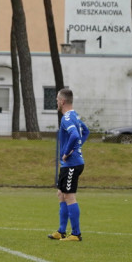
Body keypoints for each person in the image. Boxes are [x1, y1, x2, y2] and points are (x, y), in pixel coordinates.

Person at [47, 88, 89, 242]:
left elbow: (76, 135)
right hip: (68, 164)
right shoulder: (75, 116)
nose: (57, 102)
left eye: (58, 100)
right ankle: (61, 231)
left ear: (62, 101)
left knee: (69, 196)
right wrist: (77, 147)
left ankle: (76, 234)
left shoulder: (66, 118)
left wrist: (67, 152)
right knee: (61, 194)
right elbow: (86, 131)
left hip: (72, 163)